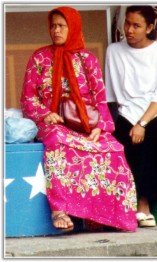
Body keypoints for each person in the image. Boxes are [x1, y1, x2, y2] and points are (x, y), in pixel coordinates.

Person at [21, 6, 137, 232]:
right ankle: (60, 209)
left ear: (73, 27)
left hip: (85, 125)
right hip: (52, 124)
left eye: (62, 26)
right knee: (57, 141)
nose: (56, 30)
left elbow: (100, 99)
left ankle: (106, 216)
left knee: (113, 148)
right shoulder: (40, 57)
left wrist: (101, 127)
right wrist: (46, 114)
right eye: (53, 25)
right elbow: (28, 97)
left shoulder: (88, 60)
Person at [105, 5, 157, 227]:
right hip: (128, 111)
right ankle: (124, 206)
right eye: (127, 23)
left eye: (136, 25)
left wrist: (142, 123)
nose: (129, 29)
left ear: (149, 28)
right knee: (124, 144)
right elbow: (112, 94)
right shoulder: (114, 51)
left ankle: (144, 204)